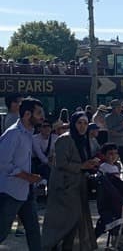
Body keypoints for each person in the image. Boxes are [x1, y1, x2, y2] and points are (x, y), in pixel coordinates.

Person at [41, 111, 99, 251]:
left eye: (85, 123)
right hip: (64, 187)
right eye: (79, 123)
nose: (82, 126)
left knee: (77, 221)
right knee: (64, 221)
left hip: (78, 186)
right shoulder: (64, 139)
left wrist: (91, 165)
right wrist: (82, 166)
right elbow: (61, 163)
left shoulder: (85, 140)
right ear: (73, 124)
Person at [0, 96, 44, 251]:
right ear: (27, 114)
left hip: (26, 192)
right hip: (10, 193)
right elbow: (3, 163)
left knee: (34, 232)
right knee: (2, 232)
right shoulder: (13, 134)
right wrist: (27, 176)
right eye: (38, 113)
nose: (42, 117)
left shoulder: (28, 134)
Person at [105, 100, 123, 181]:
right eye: (118, 107)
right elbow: (111, 131)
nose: (120, 108)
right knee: (112, 163)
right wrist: (121, 126)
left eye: (120, 107)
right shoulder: (108, 117)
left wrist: (119, 131)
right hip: (113, 144)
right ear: (113, 108)